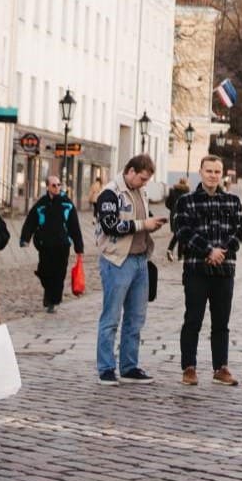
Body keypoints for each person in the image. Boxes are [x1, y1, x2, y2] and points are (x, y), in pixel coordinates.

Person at [172, 156, 242, 387]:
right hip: (197, 268)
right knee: (193, 319)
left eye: (217, 171)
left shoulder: (232, 201)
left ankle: (220, 367)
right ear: (201, 172)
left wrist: (222, 251)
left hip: (225, 269)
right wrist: (208, 251)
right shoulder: (187, 201)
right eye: (209, 171)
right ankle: (189, 367)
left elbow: (241, 229)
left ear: (221, 174)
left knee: (221, 321)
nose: (213, 175)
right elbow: (182, 230)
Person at [93, 156, 167, 385]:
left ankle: (129, 366)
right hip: (117, 261)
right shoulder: (110, 193)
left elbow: (142, 217)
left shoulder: (140, 192)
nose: (145, 183)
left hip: (140, 259)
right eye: (143, 178)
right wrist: (142, 225)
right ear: (131, 171)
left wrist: (153, 222)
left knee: (136, 318)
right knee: (111, 317)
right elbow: (110, 225)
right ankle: (106, 368)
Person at [20, 174, 85, 313]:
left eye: (59, 185)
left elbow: (74, 226)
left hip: (62, 245)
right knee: (44, 271)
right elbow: (31, 221)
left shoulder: (67, 204)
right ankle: (48, 292)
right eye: (54, 185)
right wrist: (25, 238)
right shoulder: (41, 204)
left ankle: (53, 300)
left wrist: (79, 247)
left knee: (59, 274)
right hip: (45, 245)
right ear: (48, 187)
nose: (57, 188)